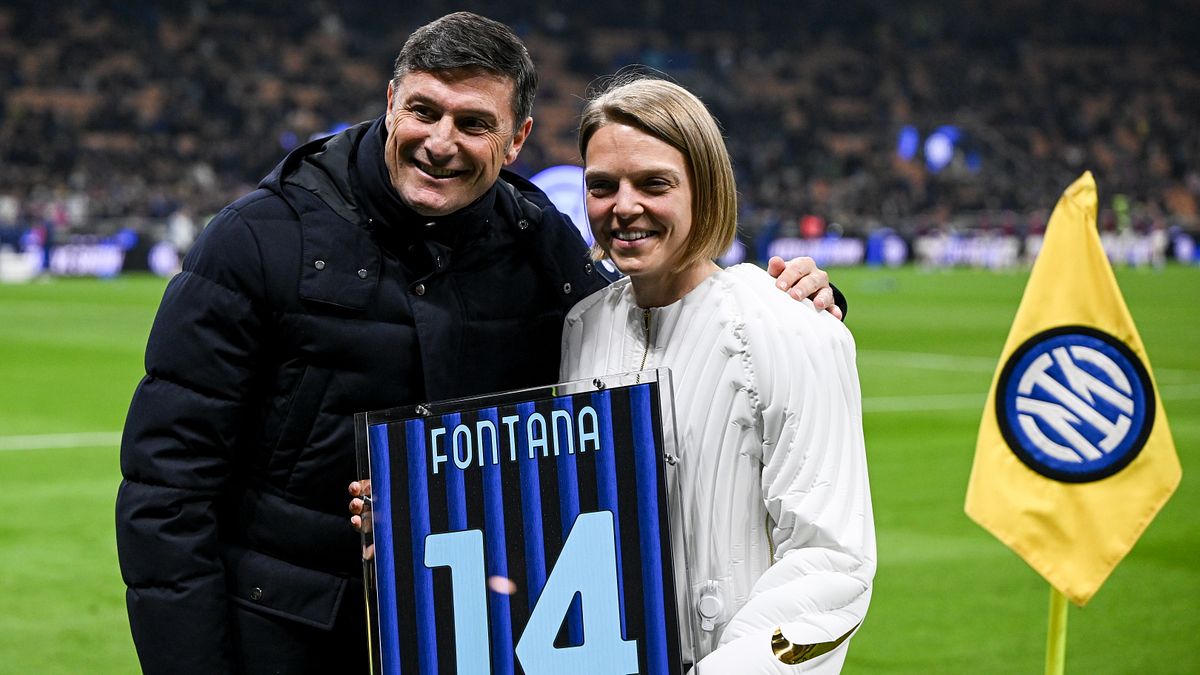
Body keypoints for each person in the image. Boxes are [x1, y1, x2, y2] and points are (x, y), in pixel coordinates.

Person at [116, 12, 842, 675]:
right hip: (284, 636)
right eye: (423, 110)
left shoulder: (538, 244)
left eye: (473, 123)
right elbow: (166, 486)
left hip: (470, 637)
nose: (441, 142)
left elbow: (643, 332)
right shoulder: (258, 239)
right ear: (391, 100)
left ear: (516, 138)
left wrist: (805, 306)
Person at [560, 77, 875, 672]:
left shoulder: (791, 326)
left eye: (654, 184)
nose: (623, 206)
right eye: (602, 186)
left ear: (705, 189)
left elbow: (831, 567)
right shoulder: (581, 327)